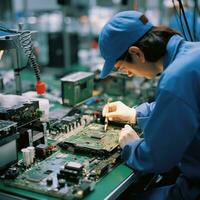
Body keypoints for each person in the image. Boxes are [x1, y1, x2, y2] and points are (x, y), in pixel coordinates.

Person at [99, 10, 200, 200]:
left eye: (122, 68)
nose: (128, 74)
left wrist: (131, 147)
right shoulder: (192, 53)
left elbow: (156, 158)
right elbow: (183, 107)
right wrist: (135, 113)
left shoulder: (175, 78)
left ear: (136, 53)